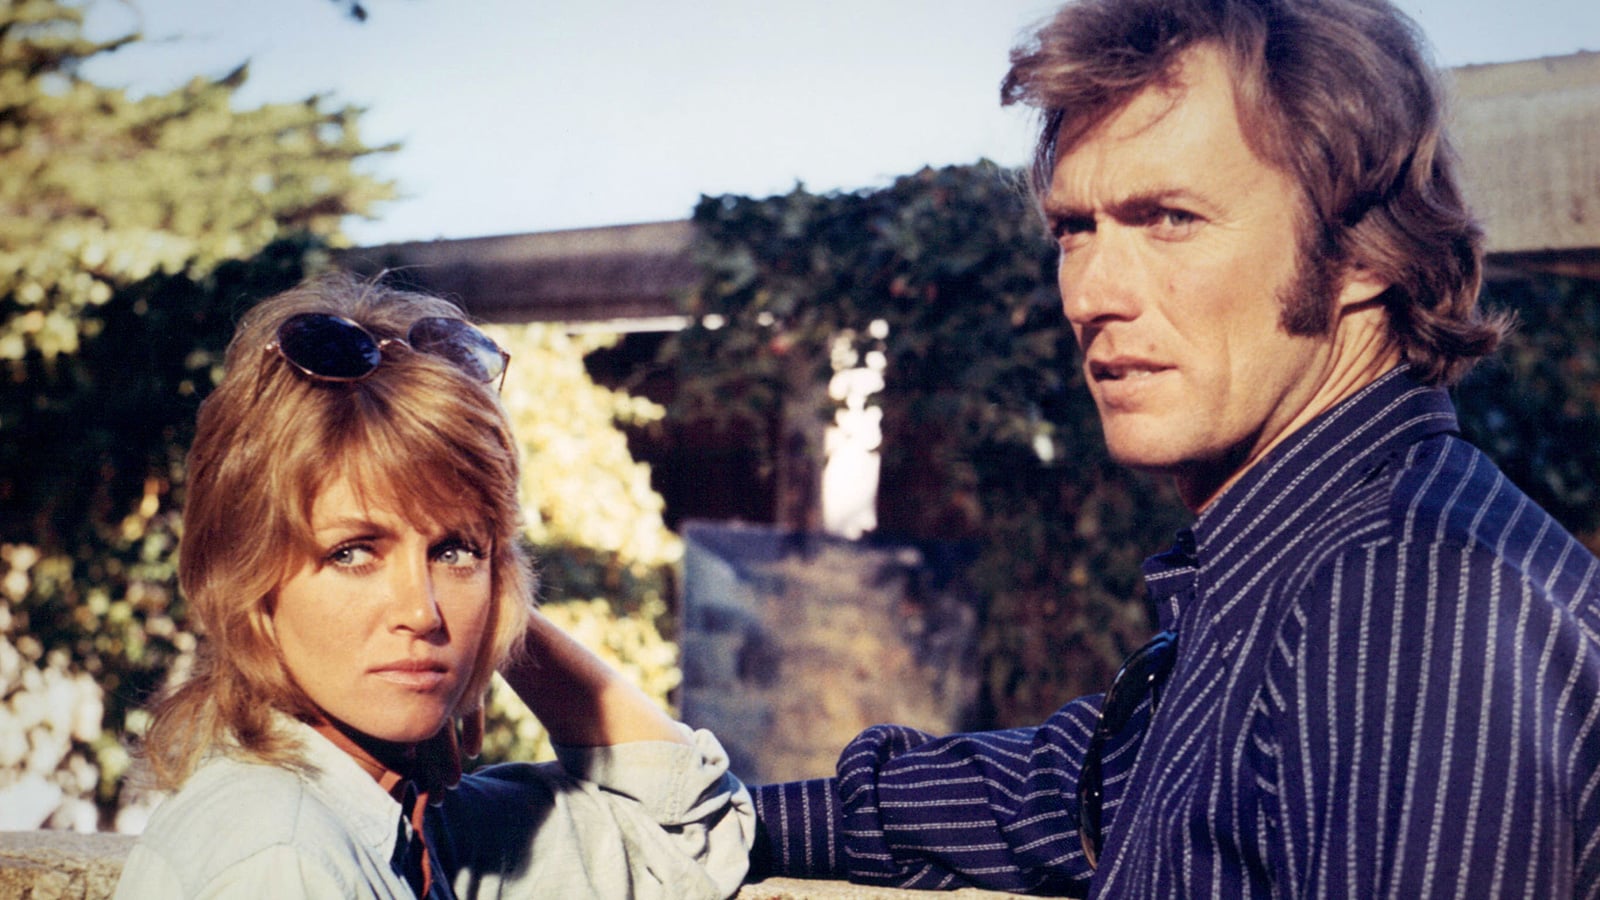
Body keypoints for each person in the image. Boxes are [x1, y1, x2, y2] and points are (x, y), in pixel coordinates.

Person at [748, 0, 1600, 896]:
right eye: (1074, 229)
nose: (1089, 296)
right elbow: (1059, 797)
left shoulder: (1407, 608)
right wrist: (711, 816)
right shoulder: (1291, 569)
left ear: (1362, 253)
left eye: (1169, 219)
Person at [114, 273, 754, 899]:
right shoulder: (287, 860)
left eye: (453, 551)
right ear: (245, 578)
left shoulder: (394, 815)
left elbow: (686, 830)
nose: (422, 612)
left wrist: (496, 614)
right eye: (353, 553)